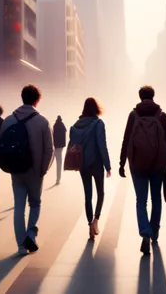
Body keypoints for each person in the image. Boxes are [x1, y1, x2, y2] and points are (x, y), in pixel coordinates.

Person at [120, 86, 166, 254]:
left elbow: (126, 138)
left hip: (137, 164)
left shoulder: (133, 115)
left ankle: (145, 232)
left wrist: (121, 162)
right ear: (153, 96)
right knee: (156, 198)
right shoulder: (161, 115)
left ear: (140, 97)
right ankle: (155, 231)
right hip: (158, 164)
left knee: (141, 200)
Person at [1, 84, 53, 256]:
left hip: (16, 170)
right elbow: (49, 149)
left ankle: (21, 246)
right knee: (36, 203)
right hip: (35, 172)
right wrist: (43, 169)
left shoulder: (8, 120)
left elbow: (2, 146)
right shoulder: (43, 121)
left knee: (19, 207)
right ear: (37, 100)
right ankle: (31, 233)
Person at [69, 99, 111, 240]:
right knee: (100, 193)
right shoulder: (98, 124)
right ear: (96, 109)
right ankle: (96, 220)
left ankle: (89, 225)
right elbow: (102, 145)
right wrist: (107, 165)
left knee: (88, 195)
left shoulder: (76, 125)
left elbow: (72, 146)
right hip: (96, 164)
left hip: (82, 165)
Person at [53, 115, 67, 185]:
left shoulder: (55, 125)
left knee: (57, 162)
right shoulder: (62, 125)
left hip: (55, 146)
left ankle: (58, 179)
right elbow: (65, 131)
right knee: (59, 163)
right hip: (60, 147)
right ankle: (58, 179)